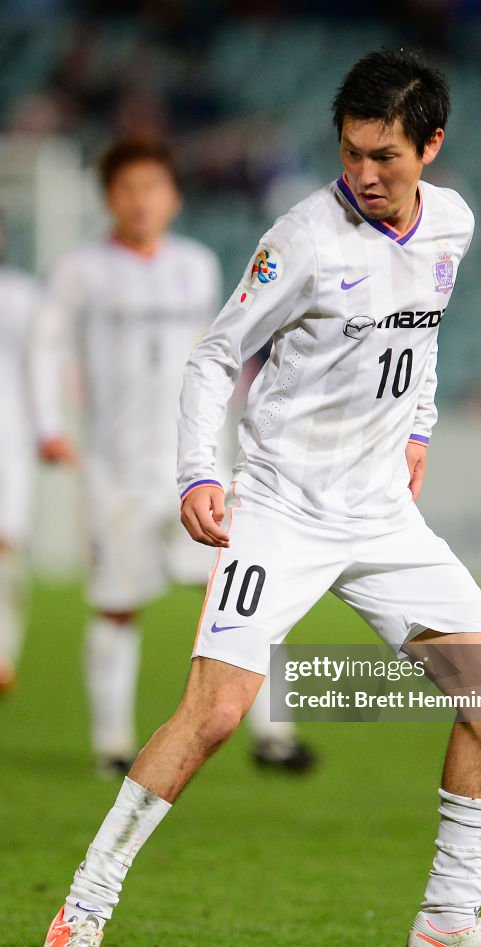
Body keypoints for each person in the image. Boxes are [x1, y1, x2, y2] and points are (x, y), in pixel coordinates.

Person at [39, 50, 481, 947]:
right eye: (350, 153)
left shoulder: (453, 224)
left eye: (385, 156)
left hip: (383, 515)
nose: (364, 175)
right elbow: (214, 357)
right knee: (217, 712)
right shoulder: (304, 236)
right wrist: (198, 475)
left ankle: (446, 921)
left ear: (432, 145)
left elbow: (424, 333)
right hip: (281, 510)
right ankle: (84, 908)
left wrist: (418, 426)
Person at [30, 139, 314, 776]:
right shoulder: (80, 271)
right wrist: (49, 424)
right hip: (117, 469)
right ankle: (111, 745)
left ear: (174, 196)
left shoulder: (197, 264)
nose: (141, 201)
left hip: (199, 462)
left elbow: (226, 357)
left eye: (152, 187)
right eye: (128, 189)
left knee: (244, 593)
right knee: (116, 604)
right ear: (109, 198)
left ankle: (276, 735)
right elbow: (46, 350)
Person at [0, 214, 41, 694]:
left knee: (6, 550)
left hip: (10, 439)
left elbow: (46, 364)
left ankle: (3, 653)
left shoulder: (22, 296)